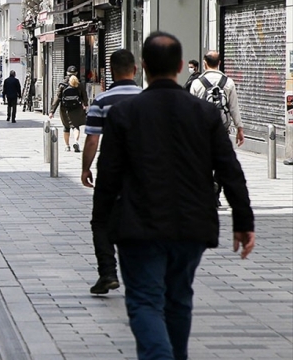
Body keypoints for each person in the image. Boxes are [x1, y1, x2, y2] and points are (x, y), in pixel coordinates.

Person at [93, 31, 254, 360]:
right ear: (181, 66)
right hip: (191, 226)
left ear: (144, 67)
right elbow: (229, 169)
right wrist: (243, 220)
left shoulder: (124, 114)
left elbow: (108, 176)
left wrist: (101, 222)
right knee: (179, 298)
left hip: (139, 226)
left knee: (144, 301)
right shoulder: (205, 114)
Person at [80, 49, 142, 295]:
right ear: (135, 70)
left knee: (101, 222)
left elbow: (93, 140)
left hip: (111, 170)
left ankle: (107, 273)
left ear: (111, 73)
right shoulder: (146, 98)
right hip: (142, 171)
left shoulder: (102, 101)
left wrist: (85, 168)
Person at [190, 51, 244, 147]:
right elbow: (234, 108)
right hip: (222, 132)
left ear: (204, 63)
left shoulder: (197, 83)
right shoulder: (228, 82)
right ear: (219, 63)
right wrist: (239, 128)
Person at [49, 67, 88, 152]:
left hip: (65, 109)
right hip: (77, 108)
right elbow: (84, 95)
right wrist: (85, 104)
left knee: (66, 127)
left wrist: (52, 111)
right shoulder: (79, 84)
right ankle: (76, 142)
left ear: (67, 73)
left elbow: (57, 98)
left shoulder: (62, 84)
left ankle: (67, 146)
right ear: (76, 73)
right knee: (76, 126)